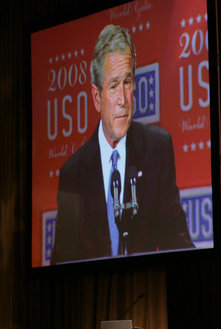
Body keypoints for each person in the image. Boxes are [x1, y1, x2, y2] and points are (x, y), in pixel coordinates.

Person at [51, 24, 194, 264]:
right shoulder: (73, 174)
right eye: (114, 85)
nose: (123, 100)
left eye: (128, 83)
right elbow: (63, 264)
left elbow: (177, 243)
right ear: (97, 98)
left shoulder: (157, 149)